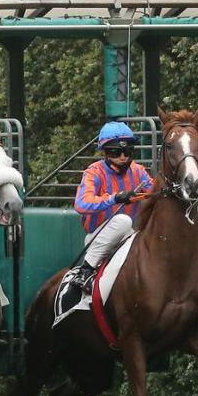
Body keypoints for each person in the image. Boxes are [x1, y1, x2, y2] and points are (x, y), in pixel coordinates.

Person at [71, 121, 153, 282]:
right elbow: (81, 203)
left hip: (129, 236)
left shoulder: (138, 171)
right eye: (116, 152)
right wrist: (115, 198)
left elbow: (154, 192)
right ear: (105, 153)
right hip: (98, 239)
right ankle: (85, 270)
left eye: (127, 151)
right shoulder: (94, 172)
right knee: (123, 221)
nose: (123, 157)